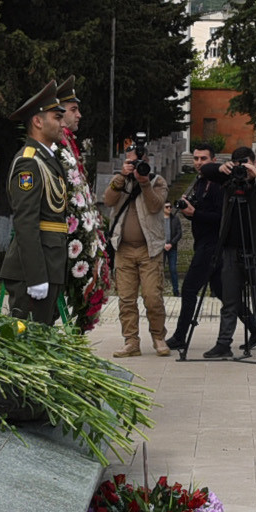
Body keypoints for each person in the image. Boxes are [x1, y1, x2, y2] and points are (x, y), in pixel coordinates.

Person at [1, 84, 79, 325]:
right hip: (34, 271)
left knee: (41, 339)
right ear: (37, 121)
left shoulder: (47, 158)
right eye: (57, 117)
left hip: (50, 264)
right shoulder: (29, 163)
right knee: (28, 346)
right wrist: (36, 276)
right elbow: (26, 223)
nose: (63, 122)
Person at [201, 147, 256, 362]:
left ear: (255, 162)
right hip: (231, 248)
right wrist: (221, 167)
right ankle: (223, 343)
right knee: (229, 300)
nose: (242, 168)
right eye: (238, 164)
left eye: (245, 163)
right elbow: (205, 170)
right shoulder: (230, 180)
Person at [101, 135, 171, 356]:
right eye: (131, 162)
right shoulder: (120, 180)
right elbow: (108, 200)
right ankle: (131, 341)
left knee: (152, 297)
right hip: (123, 249)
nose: (135, 166)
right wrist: (122, 176)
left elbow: (155, 206)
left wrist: (143, 181)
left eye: (138, 162)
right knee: (126, 299)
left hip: (149, 250)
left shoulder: (157, 181)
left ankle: (159, 337)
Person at [168, 157, 236, 352]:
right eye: (196, 158)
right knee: (224, 293)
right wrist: (189, 211)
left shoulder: (217, 185)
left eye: (203, 159)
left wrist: (195, 213)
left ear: (213, 161)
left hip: (211, 246)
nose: (198, 162)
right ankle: (255, 329)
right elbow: (199, 213)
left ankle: (181, 336)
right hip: (202, 243)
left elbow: (221, 218)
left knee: (189, 289)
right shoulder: (199, 182)